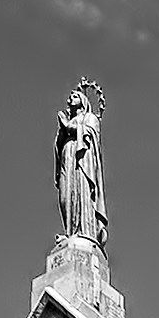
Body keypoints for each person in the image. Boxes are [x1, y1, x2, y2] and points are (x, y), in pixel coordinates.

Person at [56, 82, 108, 251]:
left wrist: (69, 126)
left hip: (83, 160)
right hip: (67, 159)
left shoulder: (90, 118)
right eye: (70, 96)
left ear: (84, 102)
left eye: (75, 96)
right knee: (65, 196)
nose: (70, 98)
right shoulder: (68, 120)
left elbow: (90, 135)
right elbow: (58, 146)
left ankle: (85, 232)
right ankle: (70, 231)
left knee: (82, 192)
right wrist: (62, 131)